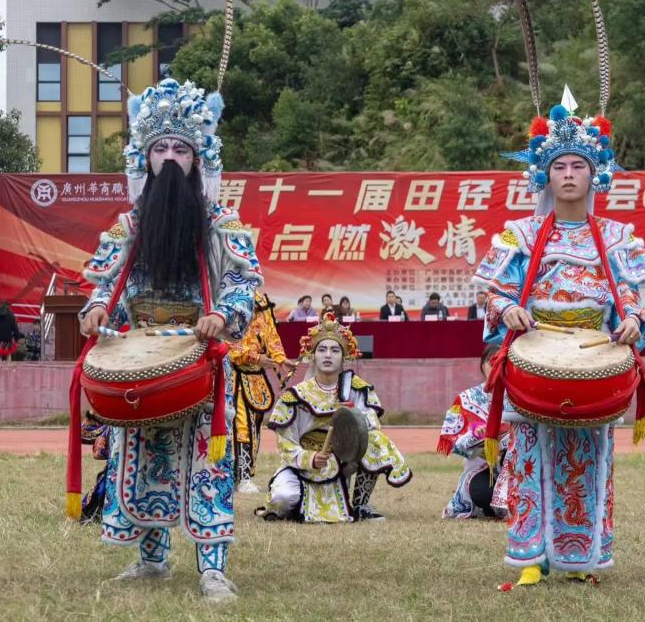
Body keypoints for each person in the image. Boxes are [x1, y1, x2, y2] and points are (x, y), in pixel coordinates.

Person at [76, 78, 261, 599]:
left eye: (182, 149)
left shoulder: (221, 223)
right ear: (147, 158)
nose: (172, 159)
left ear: (198, 159)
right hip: (140, 358)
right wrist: (95, 310)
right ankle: (150, 559)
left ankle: (212, 568)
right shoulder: (129, 225)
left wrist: (222, 314)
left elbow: (244, 282)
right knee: (139, 459)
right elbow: (106, 284)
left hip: (201, 360)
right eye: (162, 149)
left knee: (208, 465)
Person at [472, 93, 645, 583]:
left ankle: (580, 557)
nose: (570, 174)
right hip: (536, 351)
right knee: (529, 458)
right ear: (545, 175)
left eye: (579, 165)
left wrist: (632, 320)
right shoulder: (520, 234)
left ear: (595, 174)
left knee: (587, 459)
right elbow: (493, 291)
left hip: (591, 356)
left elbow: (629, 295)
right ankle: (531, 559)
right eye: (560, 166)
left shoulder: (615, 237)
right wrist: (508, 308)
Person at [258, 313, 412, 522]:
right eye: (322, 349)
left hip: (341, 461)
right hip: (302, 465)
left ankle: (360, 504)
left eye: (335, 350)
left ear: (343, 356)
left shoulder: (355, 389)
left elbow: (372, 424)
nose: (328, 355)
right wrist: (311, 458)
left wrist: (351, 417)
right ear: (313, 355)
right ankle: (300, 502)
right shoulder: (295, 396)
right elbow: (286, 444)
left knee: (374, 440)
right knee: (283, 498)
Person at [229, 291, 293, 493]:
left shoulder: (260, 298)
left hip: (255, 377)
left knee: (253, 425)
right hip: (231, 375)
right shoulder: (227, 295)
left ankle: (244, 475)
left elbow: (269, 331)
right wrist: (255, 357)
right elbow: (224, 343)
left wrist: (280, 359)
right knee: (241, 425)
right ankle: (240, 477)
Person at [438, 345, 507, 519]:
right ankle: (491, 507)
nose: (496, 368)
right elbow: (454, 442)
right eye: (492, 362)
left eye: (502, 363)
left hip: (516, 469)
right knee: (481, 492)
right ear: (482, 365)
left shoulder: (520, 398)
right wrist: (475, 436)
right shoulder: (466, 399)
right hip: (481, 469)